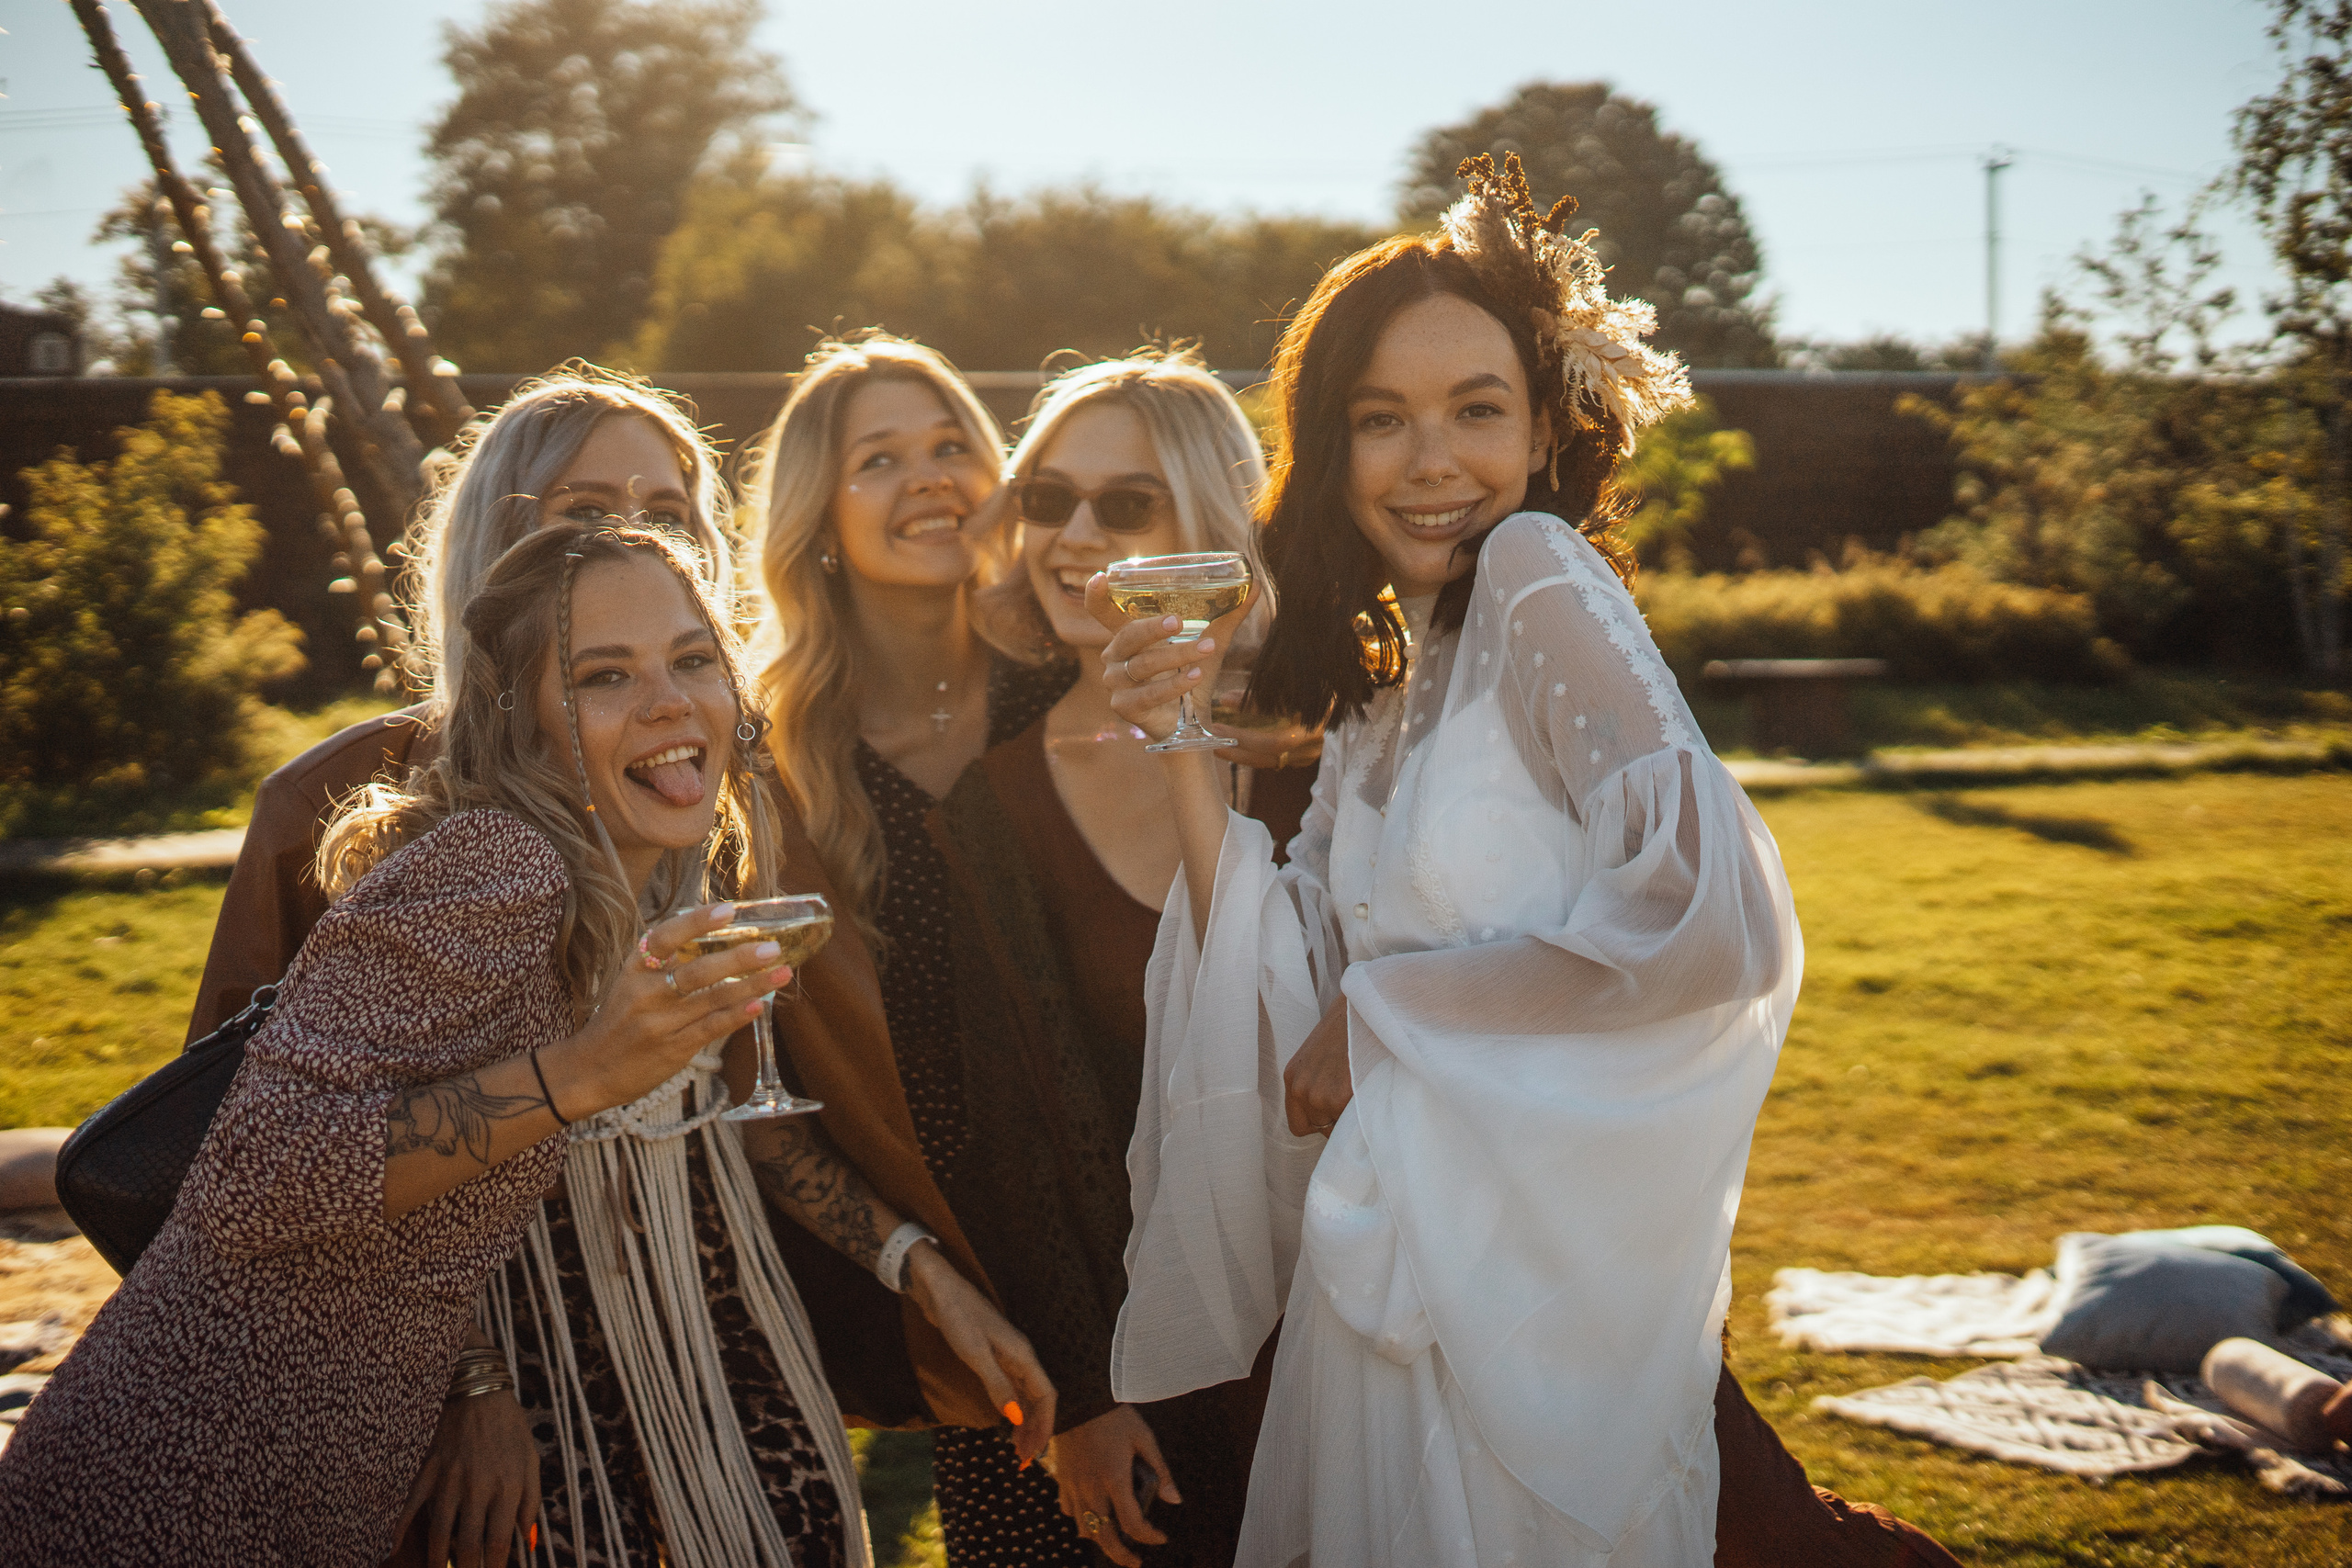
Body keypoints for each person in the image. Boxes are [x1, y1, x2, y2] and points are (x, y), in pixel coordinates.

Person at [1094, 157, 1952, 1567]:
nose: (1432, 460)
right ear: (1334, 444)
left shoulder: (1538, 576)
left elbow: (1711, 914)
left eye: (1475, 411)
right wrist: (1176, 733)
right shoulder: (1396, 674)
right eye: (1383, 420)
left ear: (1547, 430)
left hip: (1529, 1309)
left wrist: (1393, 1016)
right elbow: (1290, 958)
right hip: (1407, 1277)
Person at [168, 367, 1047, 1568]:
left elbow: (748, 1108)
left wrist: (926, 1273)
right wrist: (464, 1385)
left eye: (669, 503)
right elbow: (269, 1154)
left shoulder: (710, 791)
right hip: (521, 1406)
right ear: (499, 536)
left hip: (735, 1361)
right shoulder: (357, 808)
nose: (634, 529)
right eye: (588, 501)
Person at [0, 523, 802, 1564]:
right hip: (183, 1480)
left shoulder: (605, 888)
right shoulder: (499, 863)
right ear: (523, 725)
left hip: (313, 1484)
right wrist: (582, 1075)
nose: (667, 700)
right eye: (605, 675)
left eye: (692, 659)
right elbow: (254, 1175)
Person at [925, 351, 1320, 1567]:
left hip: (1360, 1323)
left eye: (1126, 502)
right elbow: (1013, 1121)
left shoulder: (1329, 737)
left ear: (1210, 525)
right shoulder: (993, 799)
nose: (1072, 533)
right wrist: (1092, 1390)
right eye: (1048, 499)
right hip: (1160, 1364)